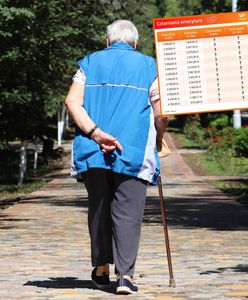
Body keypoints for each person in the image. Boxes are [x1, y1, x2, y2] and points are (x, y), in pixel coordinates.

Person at [64, 19, 168, 295]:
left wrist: (96, 133)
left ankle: (100, 269)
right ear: (135, 43)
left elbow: (72, 102)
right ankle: (124, 277)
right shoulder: (149, 66)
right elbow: (161, 113)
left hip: (93, 150)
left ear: (107, 40)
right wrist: (158, 139)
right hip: (132, 151)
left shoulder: (89, 63)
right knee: (128, 213)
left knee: (99, 208)